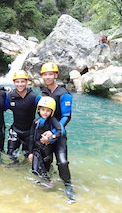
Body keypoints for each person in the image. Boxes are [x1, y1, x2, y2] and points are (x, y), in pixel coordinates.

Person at [39, 62, 75, 201]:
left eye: (50, 74)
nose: (48, 77)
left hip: (58, 133)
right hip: (45, 133)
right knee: (46, 160)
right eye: (45, 74)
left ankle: (68, 186)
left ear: (56, 75)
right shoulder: (43, 91)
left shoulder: (64, 93)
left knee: (62, 162)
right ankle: (48, 182)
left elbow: (67, 116)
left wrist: (53, 133)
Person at [7, 70, 41, 164]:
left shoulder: (34, 97)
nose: (20, 84)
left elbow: (45, 113)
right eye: (17, 82)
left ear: (27, 82)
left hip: (29, 132)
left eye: (22, 81)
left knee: (27, 157)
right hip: (15, 130)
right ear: (14, 82)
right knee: (11, 155)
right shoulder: (10, 96)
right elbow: (0, 107)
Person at [28, 96, 62, 185]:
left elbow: (60, 131)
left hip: (47, 151)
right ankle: (41, 184)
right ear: (39, 110)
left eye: (48, 110)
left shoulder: (52, 120)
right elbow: (31, 136)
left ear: (52, 111)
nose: (45, 112)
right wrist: (30, 152)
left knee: (45, 171)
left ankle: (49, 183)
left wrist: (50, 138)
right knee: (35, 170)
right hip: (36, 149)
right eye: (43, 110)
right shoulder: (36, 121)